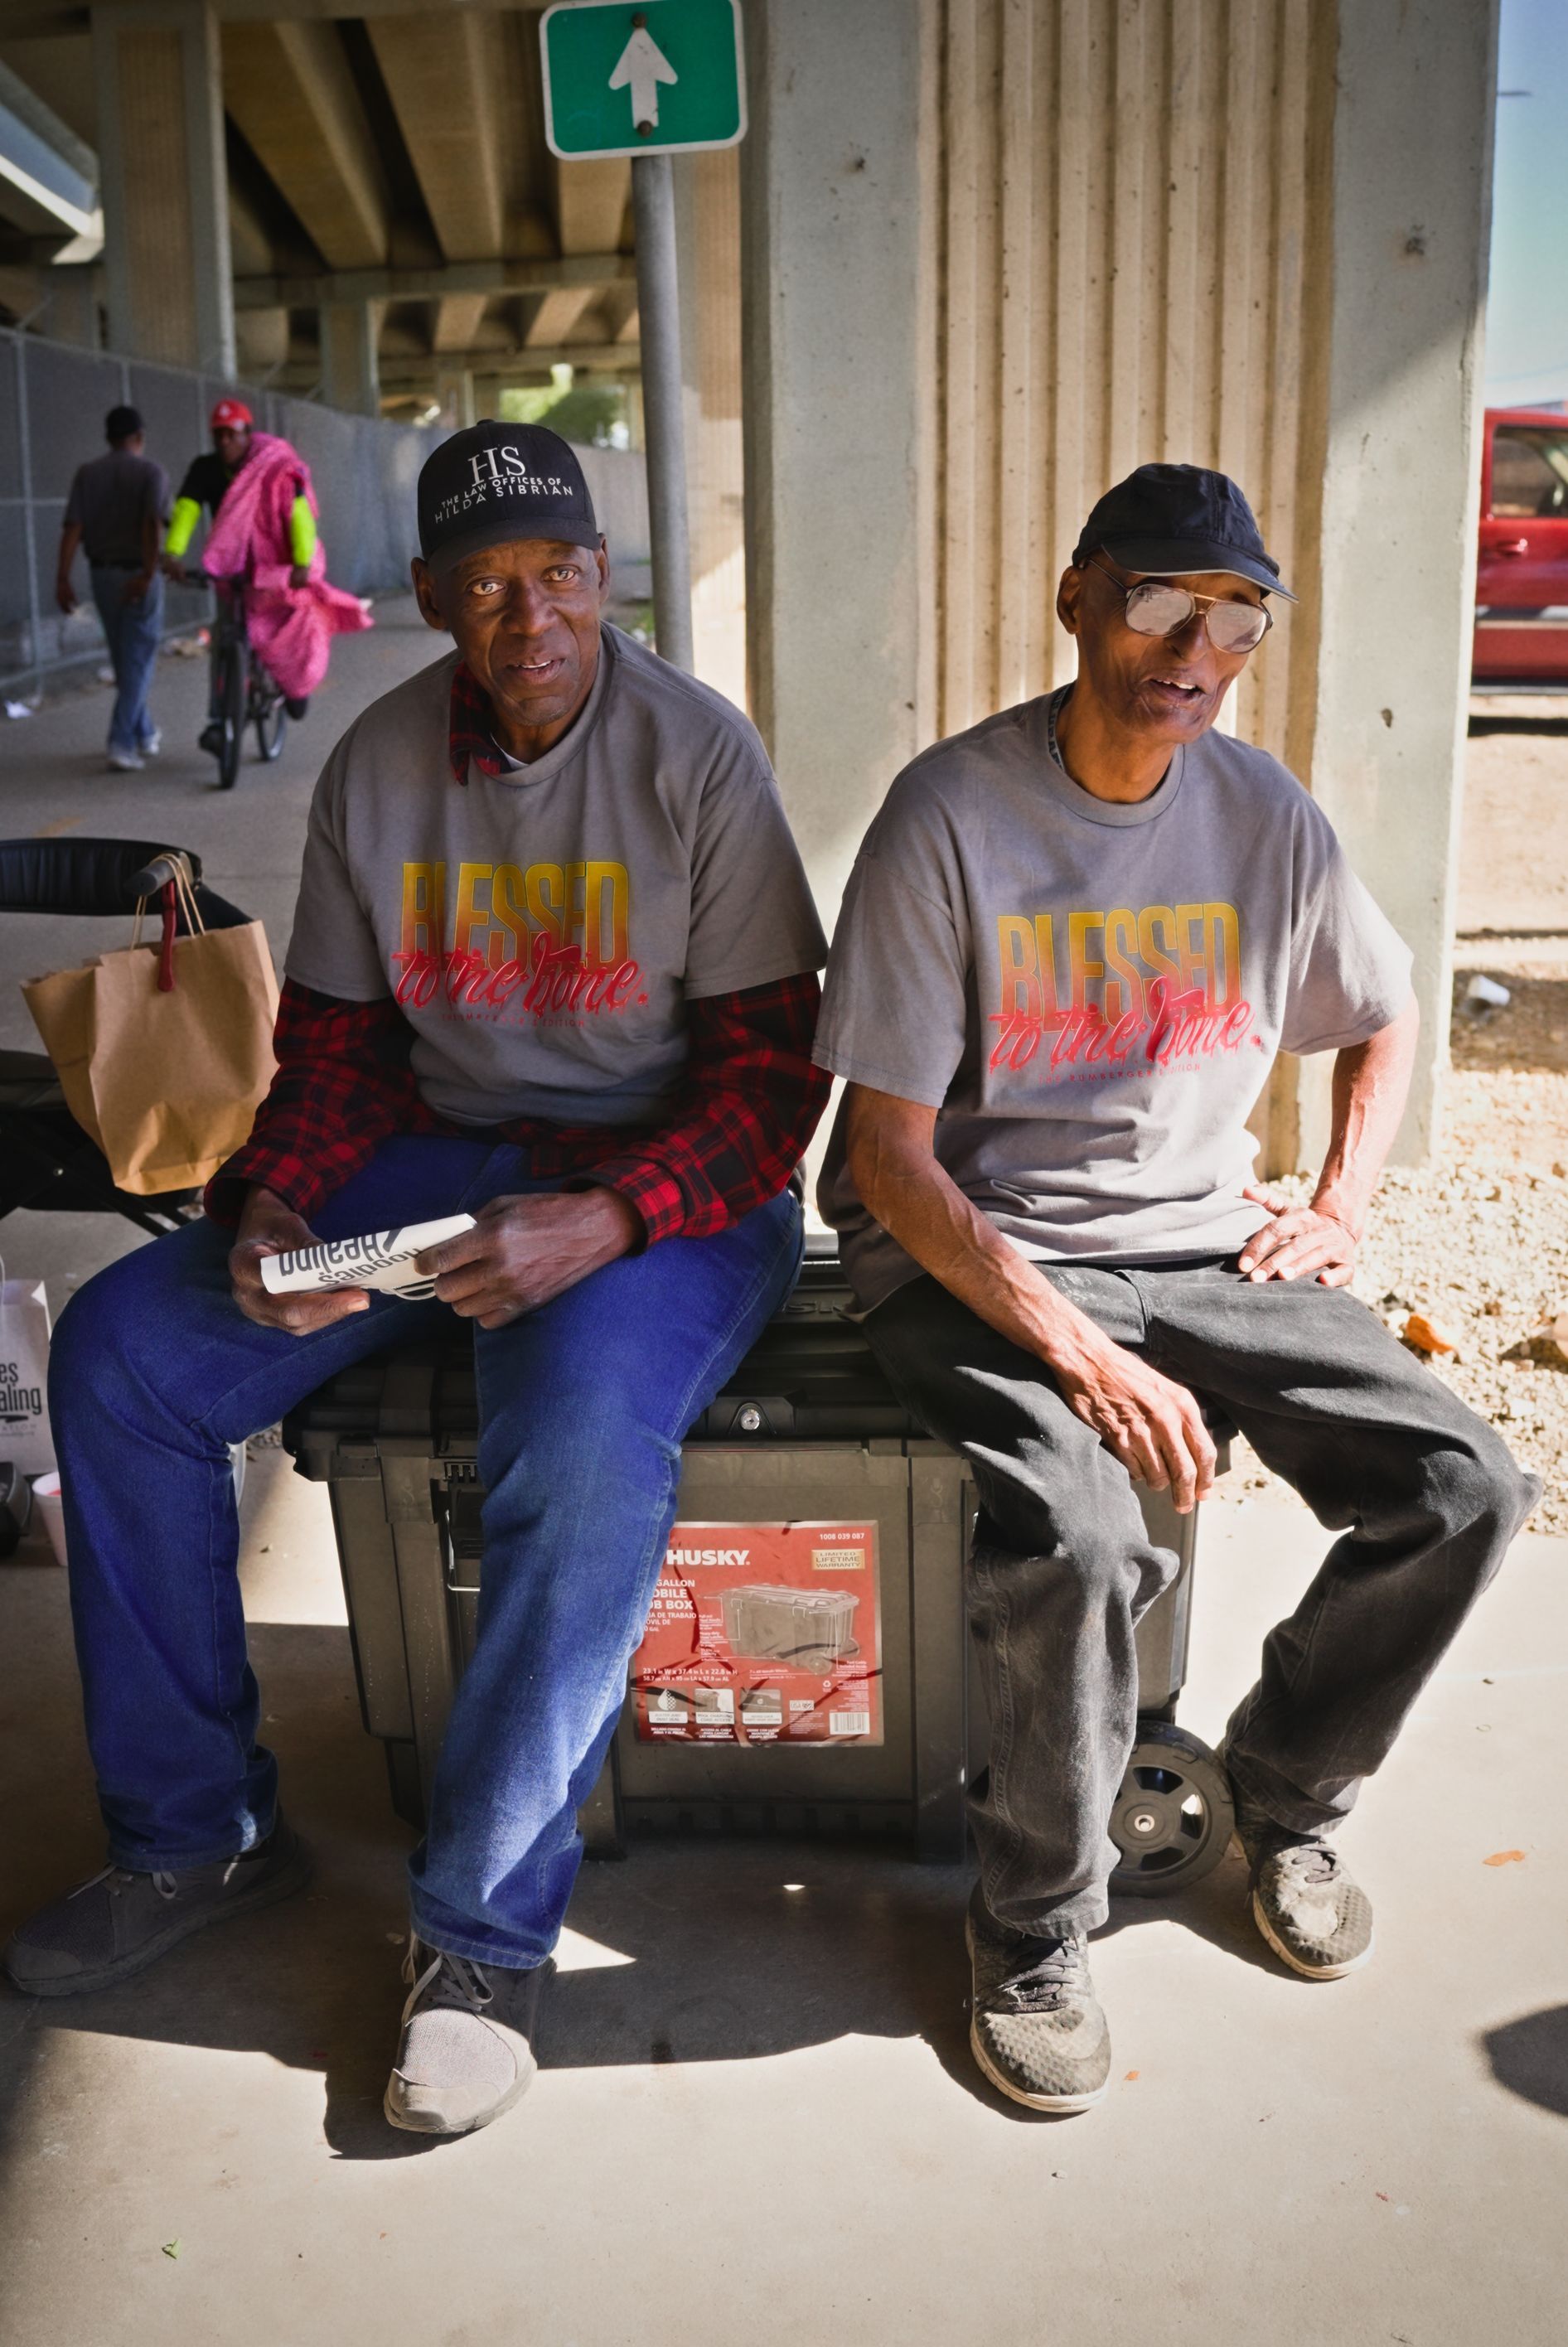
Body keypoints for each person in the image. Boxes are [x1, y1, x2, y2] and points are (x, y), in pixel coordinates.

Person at [3, 422, 830, 2141]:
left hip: (665, 1181)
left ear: (603, 581)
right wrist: (276, 1217)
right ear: (432, 601)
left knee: (584, 1436)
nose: (522, 613)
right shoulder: (383, 762)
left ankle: (477, 1942)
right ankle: (195, 1831)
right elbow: (341, 1056)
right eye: (481, 584)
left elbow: (771, 1085)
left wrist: (604, 1219)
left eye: (554, 575)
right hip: (439, 1154)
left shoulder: (697, 757)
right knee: (127, 1357)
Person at [811, 462, 1540, 2115]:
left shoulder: (1266, 815)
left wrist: (1342, 1202)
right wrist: (1074, 1346)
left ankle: (1282, 1792)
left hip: (1197, 1237)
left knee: (1465, 1484)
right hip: (972, 1247)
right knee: (1080, 1539)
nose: (1193, 645)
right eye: (1155, 600)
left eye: (1234, 617)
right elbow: (889, 1161)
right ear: (1077, 601)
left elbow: (1384, 1008)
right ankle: (1036, 1924)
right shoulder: (954, 816)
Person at [162, 396, 370, 752]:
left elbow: (298, 513)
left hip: (278, 571)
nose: (225, 441)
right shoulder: (205, 469)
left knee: (290, 629)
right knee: (226, 637)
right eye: (219, 435)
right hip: (235, 575)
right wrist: (173, 553)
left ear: (247, 434)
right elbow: (187, 509)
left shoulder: (272, 467)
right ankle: (219, 721)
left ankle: (293, 686)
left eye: (232, 434)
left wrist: (302, 563)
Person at [57, 404, 169, 772]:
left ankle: (145, 731)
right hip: (139, 573)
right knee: (138, 659)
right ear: (139, 438)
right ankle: (121, 742)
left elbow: (73, 527)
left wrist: (63, 577)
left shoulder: (87, 474)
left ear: (108, 438)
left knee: (126, 658)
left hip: (102, 575)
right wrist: (150, 573)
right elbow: (153, 524)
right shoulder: (151, 472)